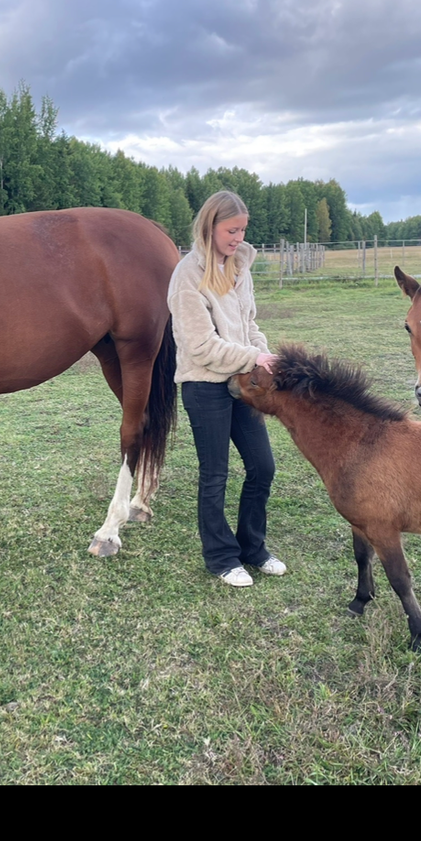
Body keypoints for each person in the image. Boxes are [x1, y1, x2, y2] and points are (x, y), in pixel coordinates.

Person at [167, 190, 286, 586]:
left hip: (244, 383)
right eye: (231, 230)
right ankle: (220, 557)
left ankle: (252, 548)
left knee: (262, 466)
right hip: (204, 386)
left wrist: (266, 358)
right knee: (215, 473)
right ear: (210, 226)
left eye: (242, 231)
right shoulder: (186, 276)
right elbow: (200, 346)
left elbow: (250, 324)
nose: (238, 238)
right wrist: (252, 359)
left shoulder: (239, 268)